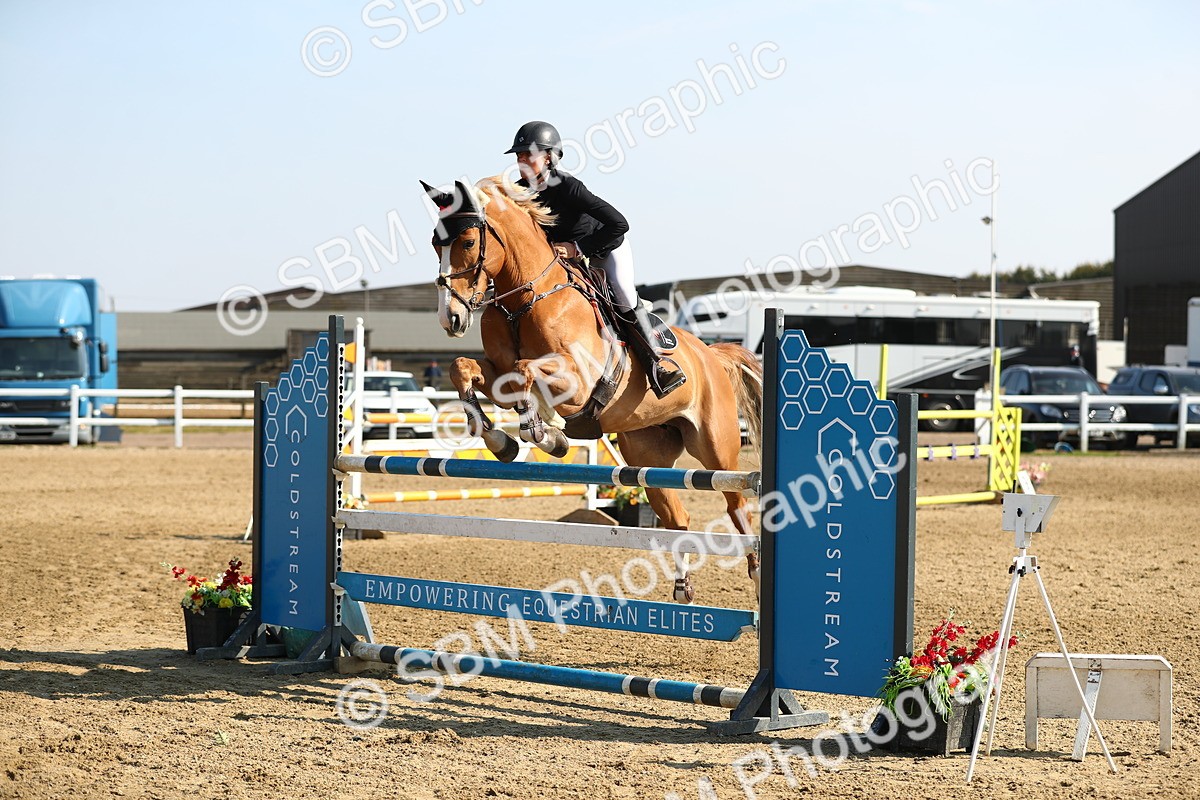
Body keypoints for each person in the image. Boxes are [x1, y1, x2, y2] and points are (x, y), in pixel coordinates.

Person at [505, 120, 685, 399]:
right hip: (562, 261)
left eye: (528, 154)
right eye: (519, 156)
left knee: (623, 294)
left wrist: (578, 248)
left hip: (605, 249)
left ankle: (657, 365)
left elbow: (619, 223)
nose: (522, 160)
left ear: (549, 156)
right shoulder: (518, 192)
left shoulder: (567, 187)